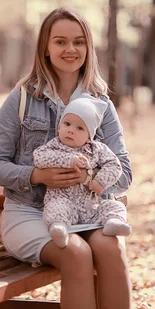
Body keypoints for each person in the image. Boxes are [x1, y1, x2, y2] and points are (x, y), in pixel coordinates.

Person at [0, 7, 132, 309]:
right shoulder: (22, 98)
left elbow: (124, 172)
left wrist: (92, 177)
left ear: (88, 48)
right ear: (45, 48)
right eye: (60, 41)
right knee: (76, 254)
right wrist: (37, 176)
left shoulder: (100, 103)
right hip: (29, 213)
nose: (70, 49)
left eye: (79, 42)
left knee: (111, 249)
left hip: (86, 211)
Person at [33, 95, 131, 248]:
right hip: (62, 200)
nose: (71, 130)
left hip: (91, 206)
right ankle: (59, 229)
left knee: (114, 205)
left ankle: (113, 223)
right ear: (59, 127)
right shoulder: (54, 146)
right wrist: (68, 160)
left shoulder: (97, 149)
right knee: (55, 209)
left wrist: (100, 181)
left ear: (89, 136)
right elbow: (39, 157)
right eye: (67, 124)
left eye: (79, 128)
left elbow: (115, 165)